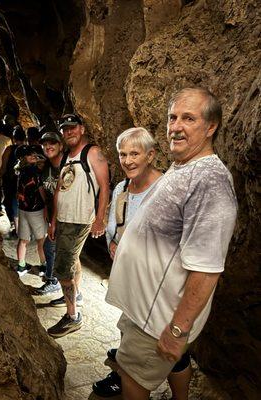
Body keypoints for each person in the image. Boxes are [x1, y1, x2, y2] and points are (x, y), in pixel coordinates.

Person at [104, 87, 238, 400]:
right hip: (145, 310)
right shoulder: (184, 167)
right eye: (172, 117)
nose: (175, 126)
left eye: (188, 118)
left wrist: (177, 330)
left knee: (133, 384)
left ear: (210, 127)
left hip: (158, 320)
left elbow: (206, 269)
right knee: (138, 369)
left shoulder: (210, 182)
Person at [93, 127, 192, 399]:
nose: (128, 160)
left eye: (135, 153)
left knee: (170, 345)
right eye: (123, 154)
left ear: (150, 155)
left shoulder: (167, 190)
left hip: (162, 285)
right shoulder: (122, 188)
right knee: (129, 330)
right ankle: (120, 373)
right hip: (131, 279)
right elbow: (116, 226)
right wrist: (113, 243)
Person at [47, 113, 109, 337]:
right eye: (65, 129)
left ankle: (72, 316)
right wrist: (53, 220)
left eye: (73, 128)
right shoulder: (66, 157)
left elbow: (105, 187)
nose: (68, 132)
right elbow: (59, 189)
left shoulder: (92, 152)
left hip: (79, 219)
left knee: (62, 268)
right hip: (64, 218)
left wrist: (100, 219)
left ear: (82, 129)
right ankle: (76, 294)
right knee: (72, 261)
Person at [34, 131, 64, 293]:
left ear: (61, 146)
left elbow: (63, 197)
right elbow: (43, 188)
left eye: (52, 143)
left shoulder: (67, 165)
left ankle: (54, 281)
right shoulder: (46, 166)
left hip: (65, 216)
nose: (48, 146)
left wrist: (54, 221)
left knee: (50, 247)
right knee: (52, 248)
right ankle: (58, 281)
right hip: (54, 214)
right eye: (45, 144)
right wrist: (46, 206)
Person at [15, 145, 47, 276]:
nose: (33, 156)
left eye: (34, 154)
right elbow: (41, 190)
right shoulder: (35, 172)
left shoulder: (20, 171)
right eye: (30, 155)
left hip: (23, 209)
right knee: (41, 240)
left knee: (23, 240)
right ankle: (44, 266)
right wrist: (47, 205)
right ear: (24, 158)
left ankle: (21, 266)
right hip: (36, 210)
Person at [0, 125, 26, 235]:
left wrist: (0, 178)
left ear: (13, 139)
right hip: (23, 181)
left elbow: (4, 165)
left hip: (10, 180)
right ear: (24, 138)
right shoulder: (27, 150)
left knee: (8, 202)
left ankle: (15, 225)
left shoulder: (9, 149)